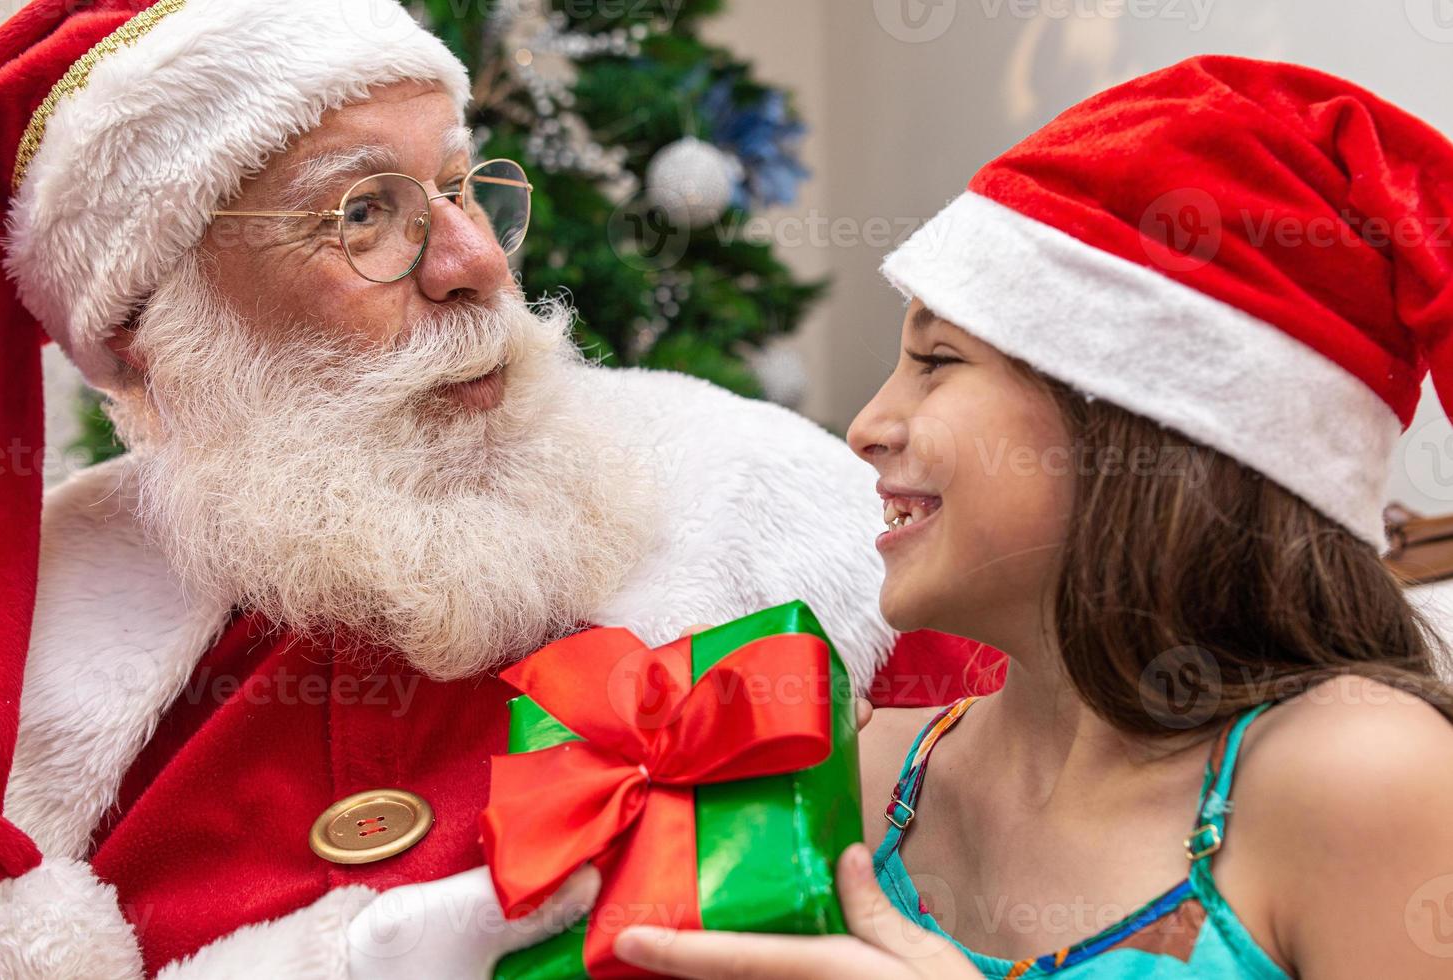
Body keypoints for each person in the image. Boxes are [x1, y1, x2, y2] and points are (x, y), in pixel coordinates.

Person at [0, 1, 1000, 975]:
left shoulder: (783, 517)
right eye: (364, 212)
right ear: (143, 334)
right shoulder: (35, 657)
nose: (474, 261)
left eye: (460, 186)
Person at [612, 55, 1453, 978]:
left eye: (938, 359)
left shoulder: (1363, 775)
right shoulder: (866, 770)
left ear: (1139, 425)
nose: (866, 427)